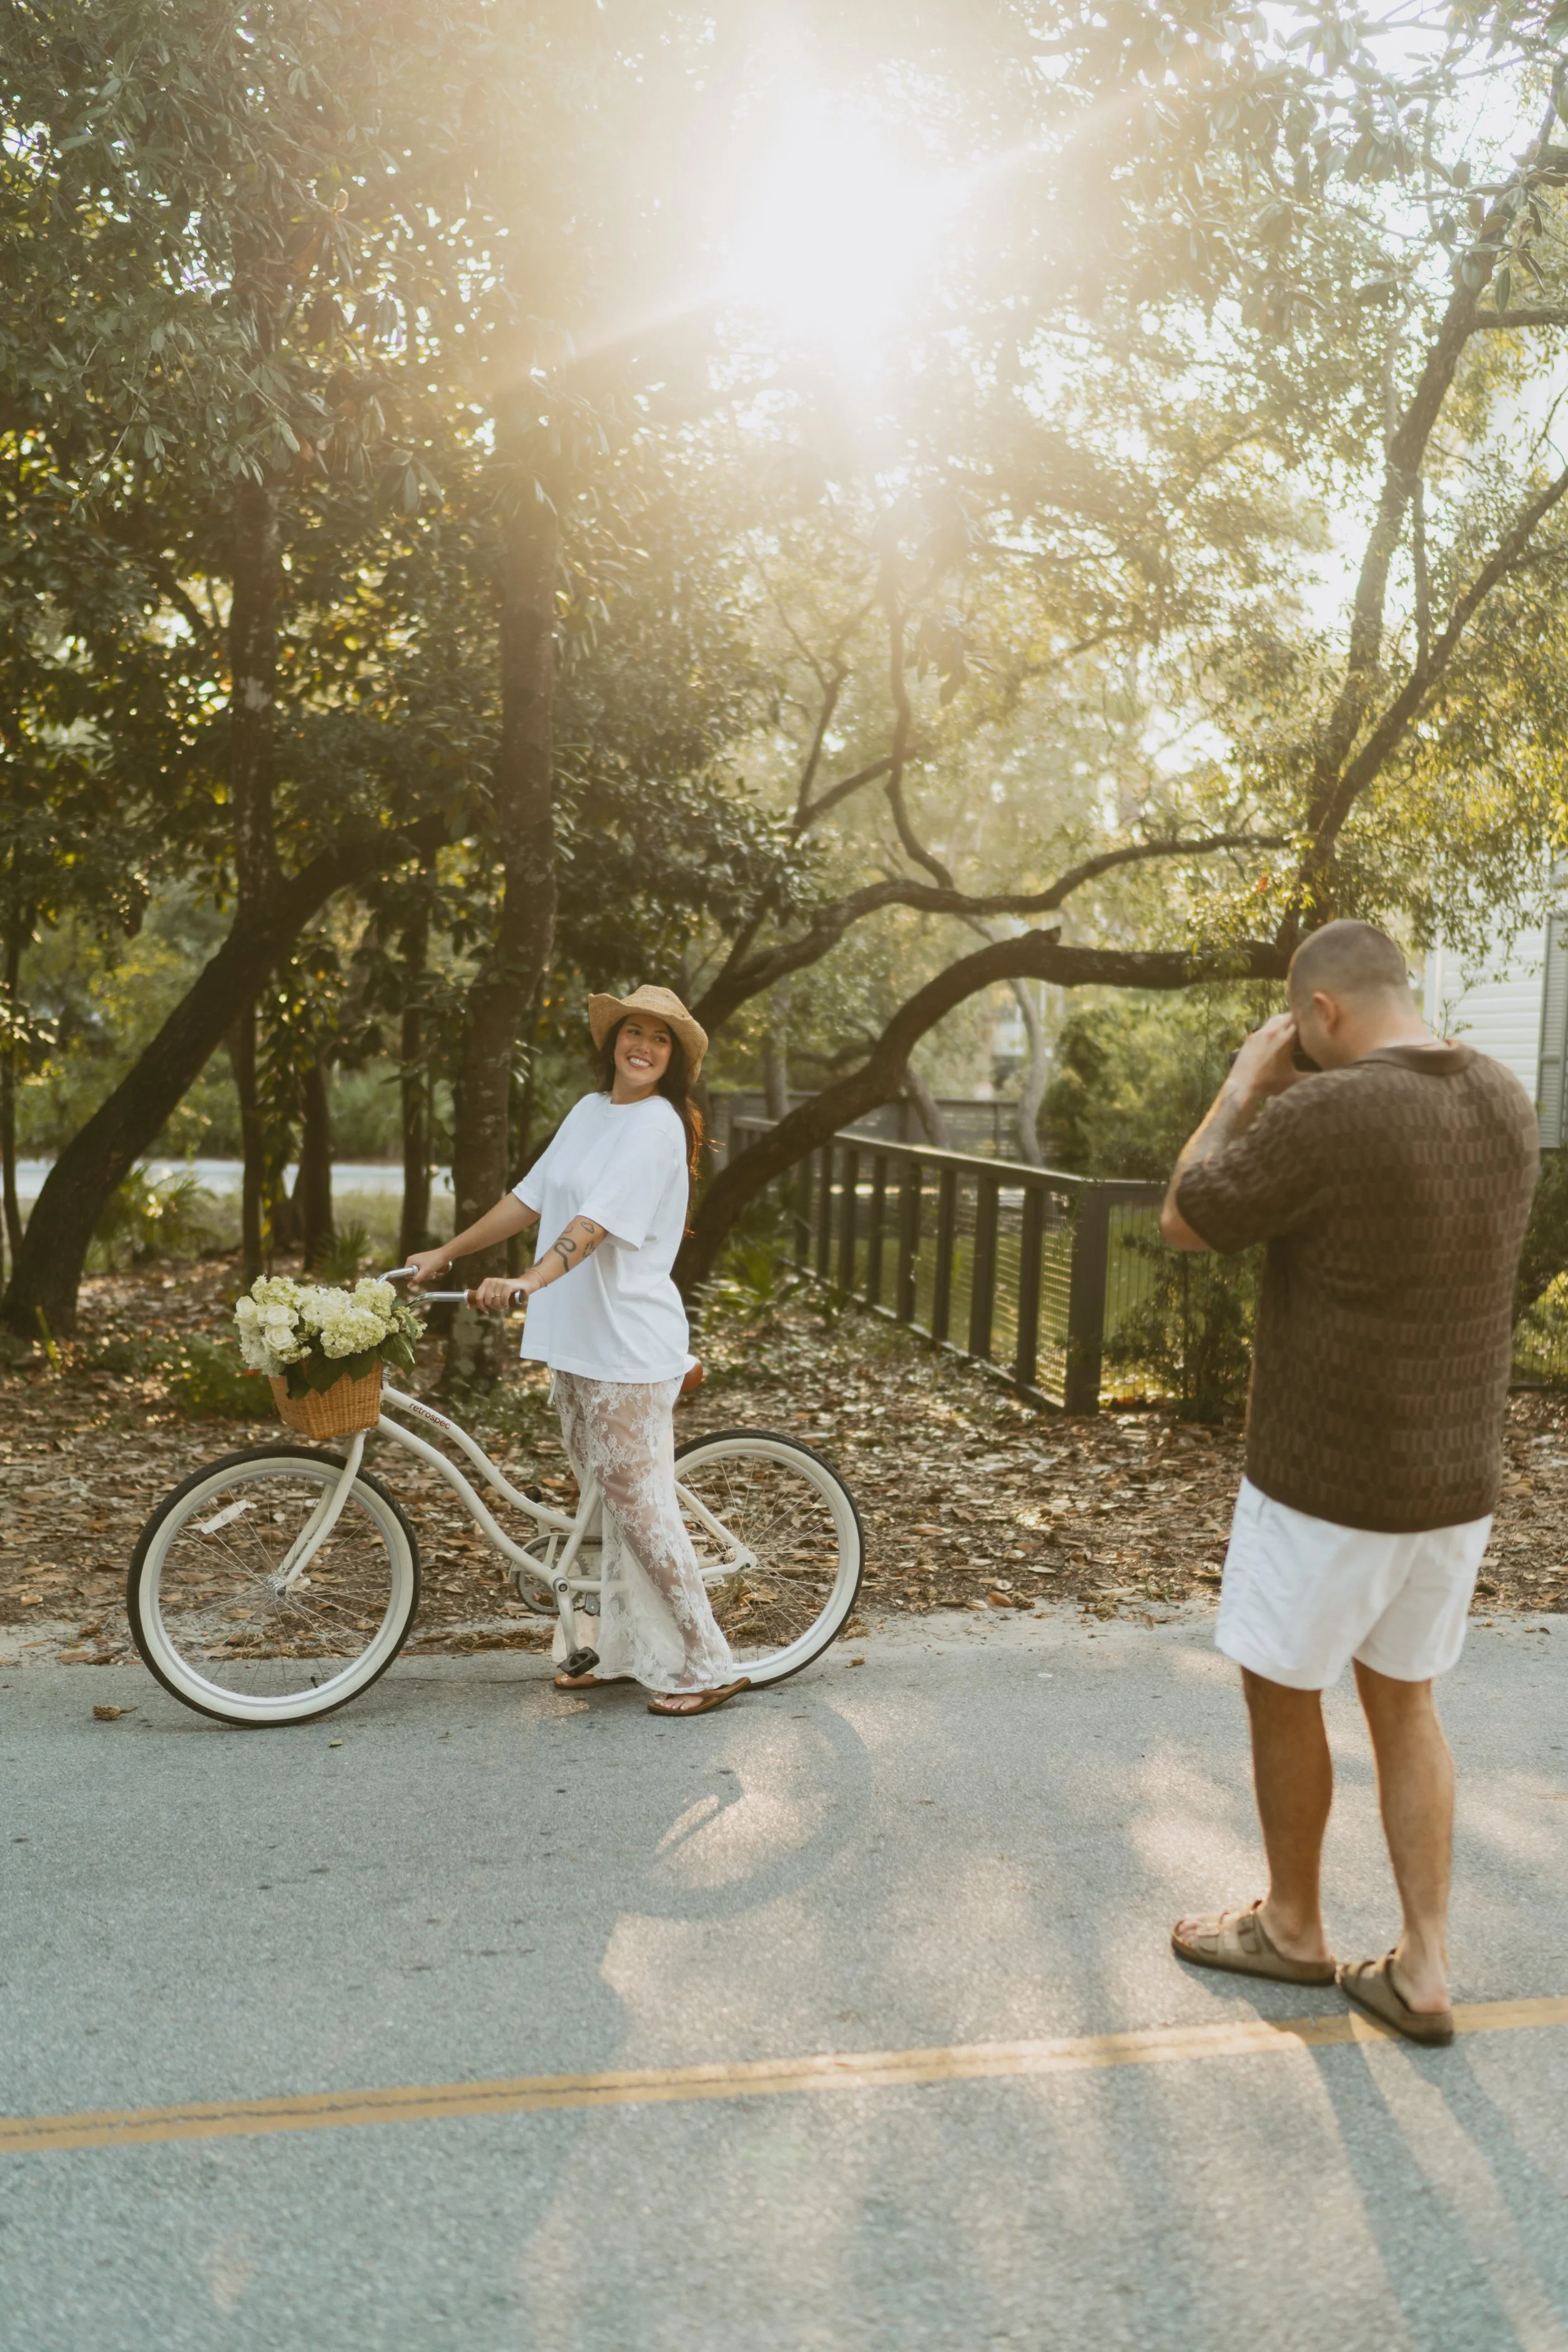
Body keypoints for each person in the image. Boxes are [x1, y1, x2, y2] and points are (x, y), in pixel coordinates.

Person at [1160, 919, 1537, 2044]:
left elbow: (1189, 1217)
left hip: (1327, 1479)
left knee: (1283, 1686)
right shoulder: (1506, 1100)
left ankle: (1293, 1927)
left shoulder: (1329, 1109)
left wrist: (1242, 1084)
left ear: (1320, 1012)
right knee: (1406, 1701)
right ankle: (1423, 1965)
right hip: (1450, 1479)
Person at [406, 985, 748, 1719]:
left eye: (660, 1040)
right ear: (612, 1041)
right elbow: (529, 1200)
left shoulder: (656, 1126)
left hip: (628, 1345)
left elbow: (593, 1225)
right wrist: (446, 1251)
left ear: (673, 1058)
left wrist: (528, 1278)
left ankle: (708, 1660)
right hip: (579, 1342)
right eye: (633, 1031)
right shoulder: (591, 1114)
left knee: (639, 1504)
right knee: (604, 1507)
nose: (643, 1047)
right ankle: (620, 1649)